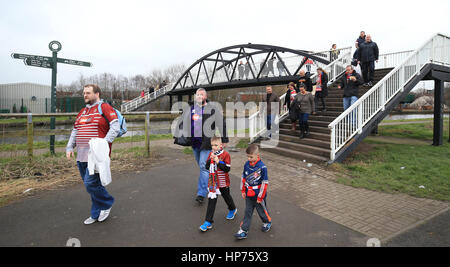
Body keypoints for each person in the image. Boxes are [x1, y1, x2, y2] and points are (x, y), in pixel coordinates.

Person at [66, 84, 119, 225]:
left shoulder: (105, 108)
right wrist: (69, 147)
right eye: (84, 93)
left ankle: (107, 203)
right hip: (81, 155)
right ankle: (95, 213)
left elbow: (115, 127)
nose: (85, 95)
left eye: (88, 93)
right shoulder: (82, 112)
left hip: (95, 156)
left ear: (97, 94)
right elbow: (75, 131)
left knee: (91, 184)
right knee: (91, 186)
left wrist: (103, 143)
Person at [184, 88, 229, 205]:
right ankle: (212, 181)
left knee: (204, 167)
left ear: (205, 96)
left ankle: (201, 193)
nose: (199, 96)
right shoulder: (192, 108)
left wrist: (224, 139)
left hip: (206, 143)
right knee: (202, 166)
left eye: (201, 94)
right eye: (197, 94)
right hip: (194, 143)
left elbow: (221, 123)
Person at [199, 136, 237, 232]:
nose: (214, 147)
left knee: (226, 196)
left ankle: (232, 209)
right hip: (213, 183)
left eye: (216, 145)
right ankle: (208, 222)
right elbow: (207, 167)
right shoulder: (211, 154)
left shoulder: (226, 154)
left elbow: (227, 169)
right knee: (212, 200)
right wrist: (210, 161)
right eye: (212, 145)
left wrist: (218, 161)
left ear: (221, 145)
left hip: (223, 182)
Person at [234, 144, 271, 240]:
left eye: (251, 157)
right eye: (248, 156)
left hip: (258, 194)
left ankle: (267, 222)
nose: (249, 159)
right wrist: (243, 190)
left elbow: (265, 182)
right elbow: (243, 177)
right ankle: (243, 230)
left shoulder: (263, 167)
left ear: (257, 155)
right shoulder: (246, 164)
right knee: (247, 212)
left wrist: (260, 196)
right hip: (248, 194)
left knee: (261, 211)